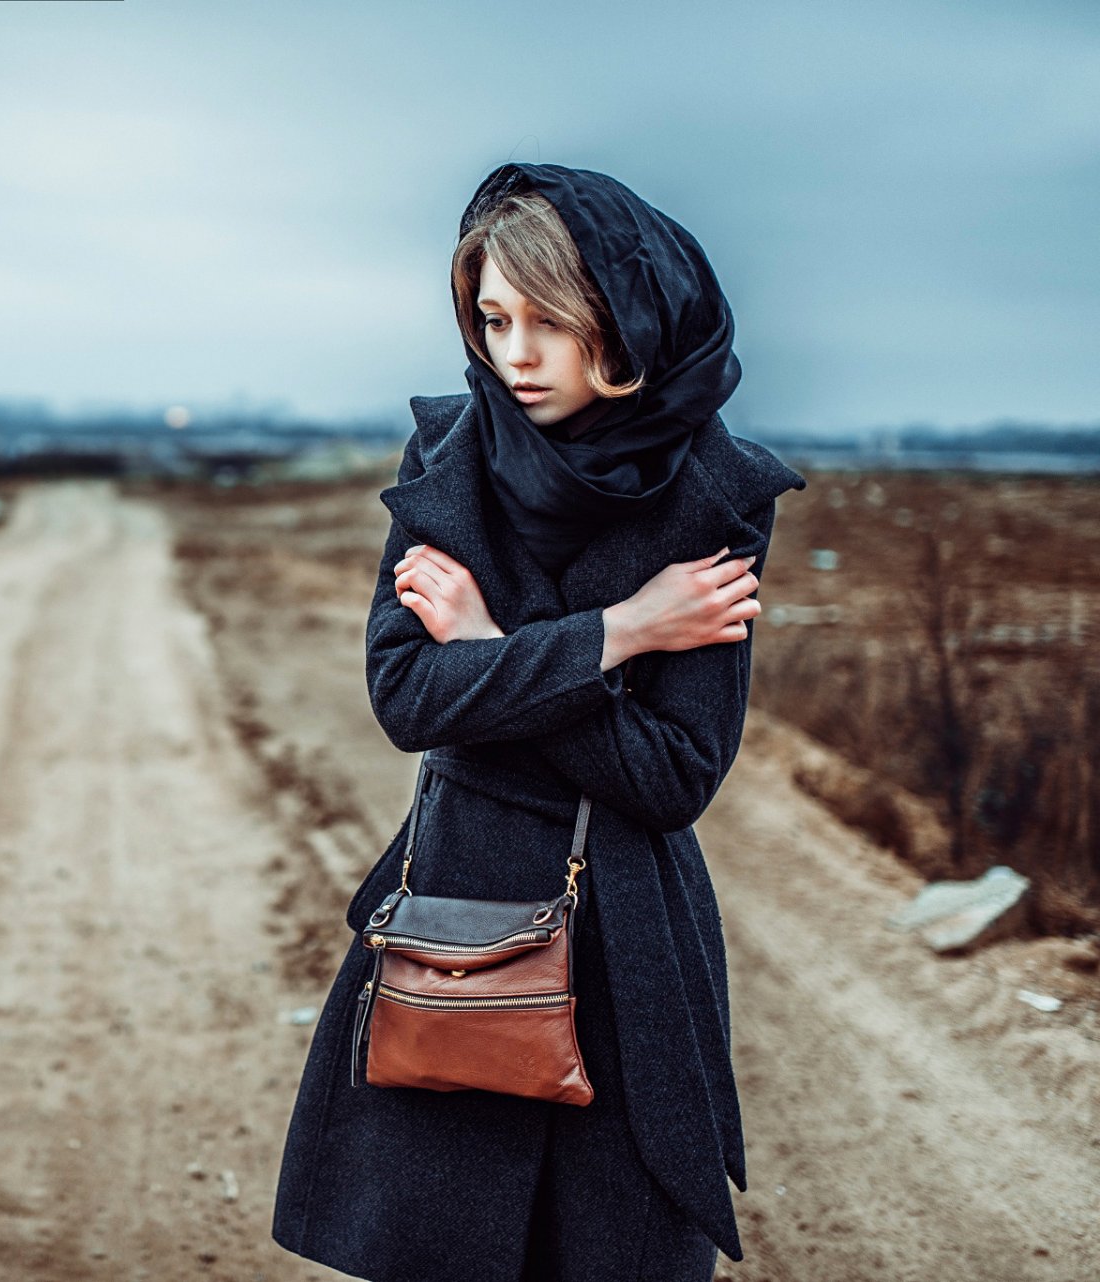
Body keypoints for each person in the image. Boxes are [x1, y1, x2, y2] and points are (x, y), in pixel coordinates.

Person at [269, 162, 807, 1282]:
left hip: (626, 946)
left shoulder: (716, 495)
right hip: (454, 923)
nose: (514, 355)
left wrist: (485, 651)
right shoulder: (450, 457)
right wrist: (619, 633)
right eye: (493, 319)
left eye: (548, 321)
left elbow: (672, 776)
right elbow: (407, 697)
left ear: (623, 318)